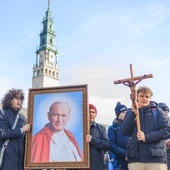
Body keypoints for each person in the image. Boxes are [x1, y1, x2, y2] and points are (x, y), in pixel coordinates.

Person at [121, 86, 170, 170]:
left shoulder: (157, 111)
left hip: (155, 158)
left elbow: (167, 130)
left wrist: (147, 137)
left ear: (150, 98)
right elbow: (124, 131)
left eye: (147, 96)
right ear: (137, 97)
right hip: (136, 159)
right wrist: (133, 113)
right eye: (142, 96)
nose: (144, 99)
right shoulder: (130, 113)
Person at [0, 88, 30, 170]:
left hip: (20, 162)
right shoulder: (2, 113)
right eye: (17, 98)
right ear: (9, 100)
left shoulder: (22, 118)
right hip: (7, 161)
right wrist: (21, 130)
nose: (19, 101)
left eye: (20, 99)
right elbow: (2, 133)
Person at [85, 104, 110, 170]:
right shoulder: (80, 128)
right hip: (82, 166)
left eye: (93, 112)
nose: (91, 114)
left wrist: (92, 140)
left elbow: (106, 145)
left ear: (95, 114)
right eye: (89, 112)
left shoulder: (101, 129)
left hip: (97, 164)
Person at [108, 102, 129, 170]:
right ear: (118, 114)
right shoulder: (112, 128)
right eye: (123, 112)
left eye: (126, 111)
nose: (125, 113)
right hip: (118, 163)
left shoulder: (131, 126)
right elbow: (111, 145)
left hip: (132, 160)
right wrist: (125, 154)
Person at [158, 102, 170, 170]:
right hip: (159, 155)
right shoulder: (154, 123)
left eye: (167, 111)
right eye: (163, 111)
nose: (165, 113)